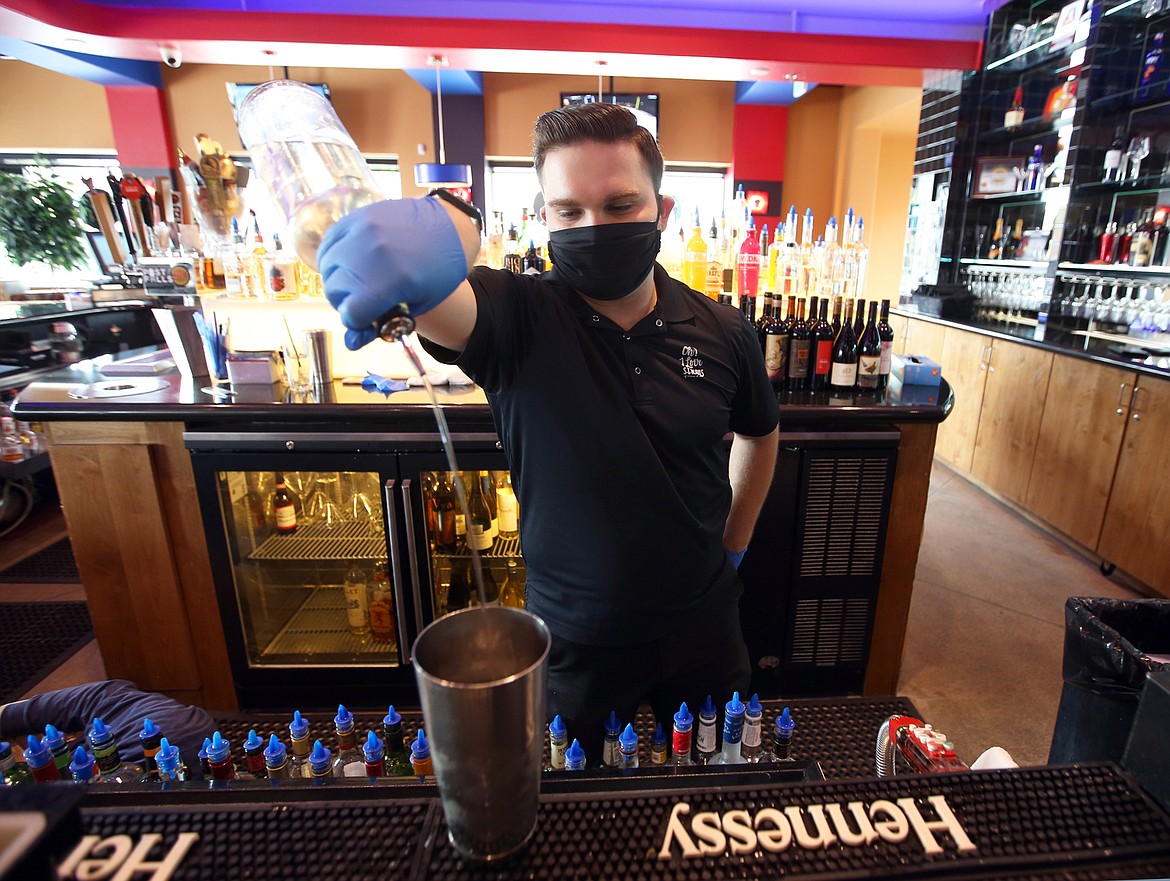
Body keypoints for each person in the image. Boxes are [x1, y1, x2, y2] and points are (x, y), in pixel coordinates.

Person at [319, 102, 780, 761]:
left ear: (663, 210)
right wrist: (440, 238)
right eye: (569, 211)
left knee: (716, 787)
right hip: (576, 641)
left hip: (704, 623)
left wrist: (735, 541)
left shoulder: (723, 328)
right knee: (579, 813)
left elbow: (760, 433)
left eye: (620, 205)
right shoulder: (514, 317)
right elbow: (441, 304)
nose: (594, 226)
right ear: (545, 217)